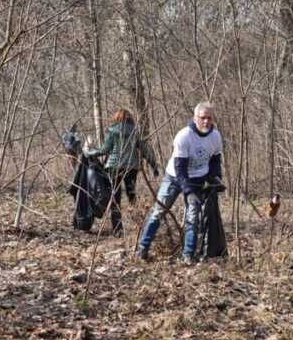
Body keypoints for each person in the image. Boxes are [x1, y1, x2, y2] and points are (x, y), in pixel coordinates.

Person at [136, 102, 223, 264]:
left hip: (198, 180)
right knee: (158, 212)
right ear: (195, 119)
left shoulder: (216, 136)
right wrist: (188, 191)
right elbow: (180, 167)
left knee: (193, 218)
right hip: (175, 178)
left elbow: (215, 160)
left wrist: (216, 177)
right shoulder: (184, 136)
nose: (206, 121)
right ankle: (143, 248)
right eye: (202, 118)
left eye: (209, 118)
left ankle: (188, 254)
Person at [85, 108, 159, 236]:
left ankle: (118, 230)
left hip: (114, 167)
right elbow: (144, 150)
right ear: (130, 119)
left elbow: (104, 150)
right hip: (131, 167)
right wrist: (153, 165)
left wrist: (89, 153)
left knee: (115, 198)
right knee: (132, 195)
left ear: (116, 118)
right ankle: (138, 225)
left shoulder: (112, 131)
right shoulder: (134, 132)